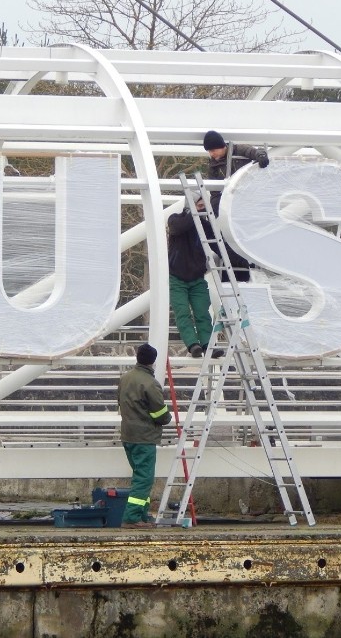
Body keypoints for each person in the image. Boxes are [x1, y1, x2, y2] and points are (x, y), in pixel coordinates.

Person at [199, 130, 270, 283]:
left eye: (213, 150)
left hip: (250, 202)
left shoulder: (238, 150)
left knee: (250, 239)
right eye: (209, 152)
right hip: (232, 208)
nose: (211, 154)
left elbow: (254, 152)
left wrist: (262, 157)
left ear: (221, 146)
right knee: (234, 242)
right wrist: (218, 211)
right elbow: (215, 192)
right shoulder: (214, 166)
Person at [117, 343, 172, 528]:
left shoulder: (125, 378)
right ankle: (132, 518)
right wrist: (168, 417)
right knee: (144, 479)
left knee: (140, 476)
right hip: (144, 437)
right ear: (153, 361)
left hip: (128, 435)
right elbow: (160, 414)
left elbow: (120, 402)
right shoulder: (150, 383)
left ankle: (142, 515)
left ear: (138, 357)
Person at [168, 193, 214, 358]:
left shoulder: (204, 226)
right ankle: (192, 344)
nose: (201, 211)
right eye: (199, 206)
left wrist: (238, 258)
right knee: (183, 313)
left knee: (202, 311)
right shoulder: (175, 220)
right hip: (176, 278)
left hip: (197, 278)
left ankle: (208, 343)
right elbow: (178, 228)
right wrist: (193, 213)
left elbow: (218, 241)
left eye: (203, 207)